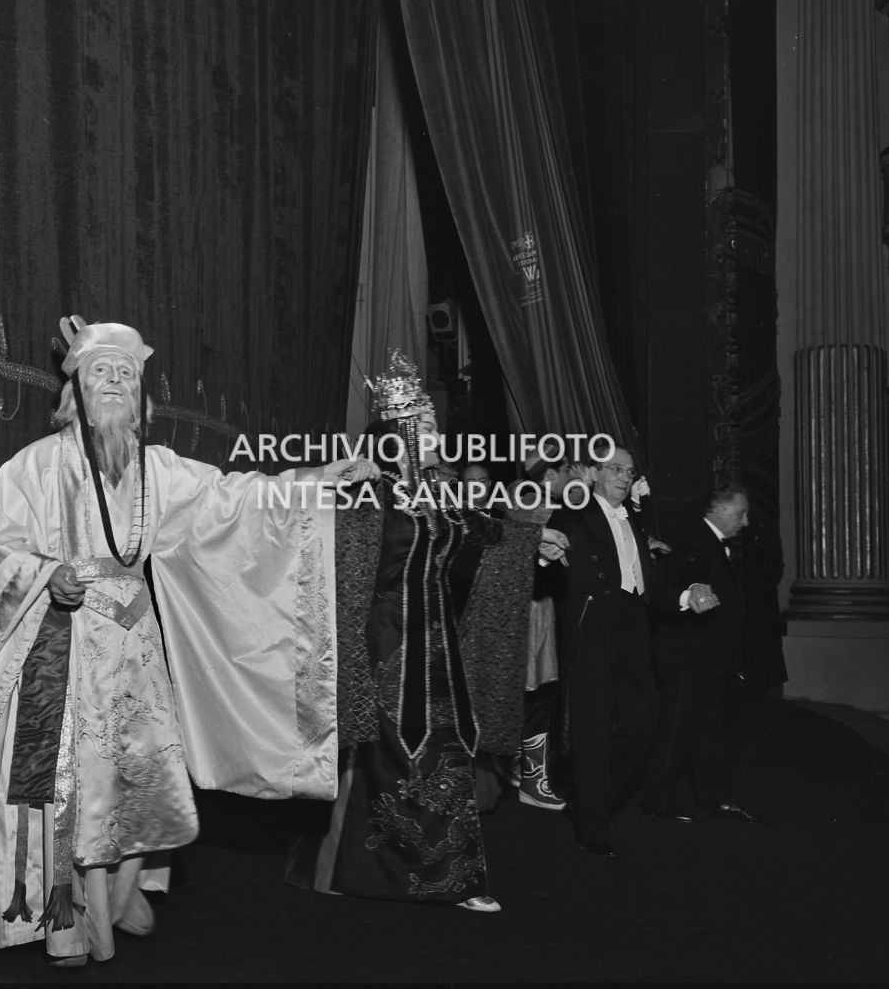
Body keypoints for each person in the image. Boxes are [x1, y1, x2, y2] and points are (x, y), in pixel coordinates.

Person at [0, 316, 375, 967]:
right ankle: (65, 919)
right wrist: (49, 575)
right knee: (70, 788)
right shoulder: (32, 467)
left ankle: (120, 894)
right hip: (58, 652)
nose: (114, 381)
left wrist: (316, 480)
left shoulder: (158, 470)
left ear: (141, 397)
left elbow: (233, 500)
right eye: (100, 371)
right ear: (74, 390)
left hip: (135, 653)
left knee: (144, 779)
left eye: (125, 374)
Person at [284, 350, 566, 913]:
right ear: (401, 436)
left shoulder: (440, 494)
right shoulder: (369, 492)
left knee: (448, 748)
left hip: (438, 647)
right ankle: (353, 868)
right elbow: (325, 557)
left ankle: (453, 877)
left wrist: (534, 540)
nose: (440, 434)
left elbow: (483, 537)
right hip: (382, 645)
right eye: (428, 425)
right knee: (383, 755)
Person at [547, 444, 717, 857]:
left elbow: (649, 585)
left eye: (629, 471)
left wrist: (685, 597)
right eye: (616, 469)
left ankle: (590, 798)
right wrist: (547, 553)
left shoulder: (633, 521)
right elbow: (552, 546)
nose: (625, 477)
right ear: (594, 473)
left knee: (644, 723)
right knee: (591, 727)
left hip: (634, 626)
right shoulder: (576, 513)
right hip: (592, 623)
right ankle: (593, 827)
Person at [642, 486, 758, 823]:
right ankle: (656, 799)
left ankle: (710, 798)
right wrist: (693, 588)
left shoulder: (712, 541)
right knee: (676, 727)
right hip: (687, 658)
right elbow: (687, 571)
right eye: (741, 514)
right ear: (719, 510)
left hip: (709, 659)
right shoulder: (696, 540)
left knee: (706, 729)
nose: (746, 522)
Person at [504, 445, 575, 810]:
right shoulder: (530, 500)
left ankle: (520, 770)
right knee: (538, 696)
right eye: (566, 471)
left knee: (531, 696)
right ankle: (532, 780)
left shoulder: (523, 496)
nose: (571, 478)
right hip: (531, 616)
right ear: (550, 474)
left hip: (532, 613)